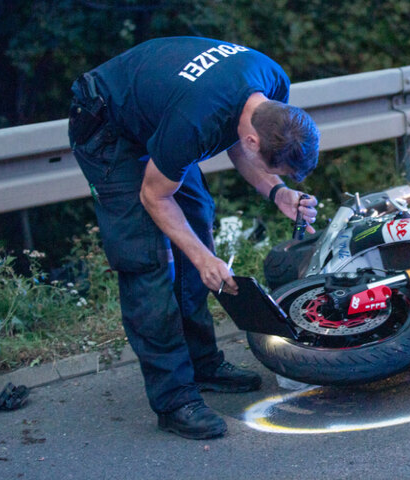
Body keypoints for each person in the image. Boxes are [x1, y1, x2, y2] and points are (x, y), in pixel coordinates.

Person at [67, 37, 320, 440]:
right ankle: (174, 400)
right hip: (107, 124)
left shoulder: (272, 83)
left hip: (160, 114)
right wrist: (203, 259)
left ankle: (203, 363)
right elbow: (154, 196)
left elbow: (238, 140)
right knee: (147, 259)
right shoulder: (195, 122)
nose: (281, 179)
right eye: (282, 174)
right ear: (259, 140)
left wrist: (278, 192)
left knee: (196, 221)